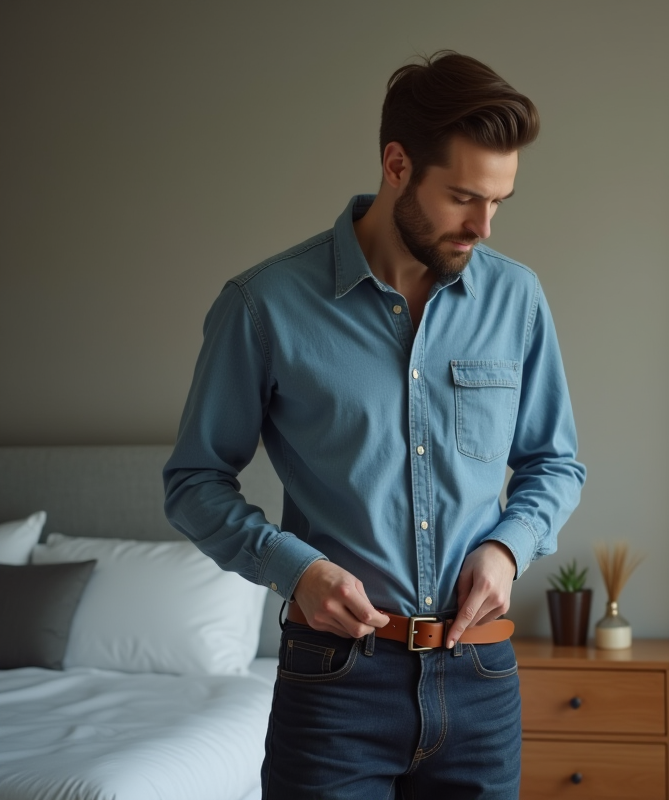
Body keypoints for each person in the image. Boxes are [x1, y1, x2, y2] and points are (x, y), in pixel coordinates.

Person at [163, 51, 585, 799]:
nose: (483, 226)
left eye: (499, 202)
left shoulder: (517, 299)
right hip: (336, 685)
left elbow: (555, 464)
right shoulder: (265, 306)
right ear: (397, 164)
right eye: (463, 197)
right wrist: (295, 568)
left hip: (481, 679)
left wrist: (507, 550)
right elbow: (195, 481)